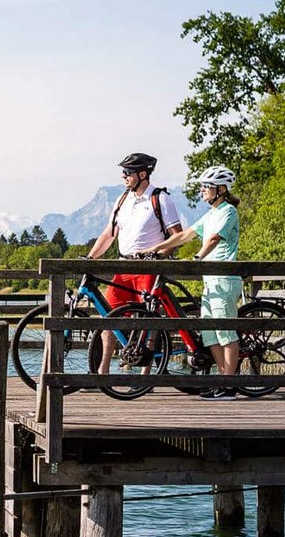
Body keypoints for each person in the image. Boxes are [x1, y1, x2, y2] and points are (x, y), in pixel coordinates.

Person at [149, 165, 242, 399]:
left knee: (225, 333)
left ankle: (230, 385)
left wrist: (199, 256)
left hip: (224, 279)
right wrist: (154, 248)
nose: (202, 191)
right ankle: (222, 381)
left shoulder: (228, 211)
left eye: (206, 187)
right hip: (210, 281)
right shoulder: (210, 214)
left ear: (220, 189)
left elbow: (213, 238)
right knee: (211, 334)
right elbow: (184, 235)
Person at [87, 152, 184, 312]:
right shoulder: (122, 199)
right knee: (108, 321)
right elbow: (109, 234)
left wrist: (158, 256)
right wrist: (90, 258)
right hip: (123, 267)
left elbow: (178, 236)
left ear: (142, 174)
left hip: (148, 270)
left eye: (127, 172)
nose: (123, 176)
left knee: (149, 321)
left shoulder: (160, 199)